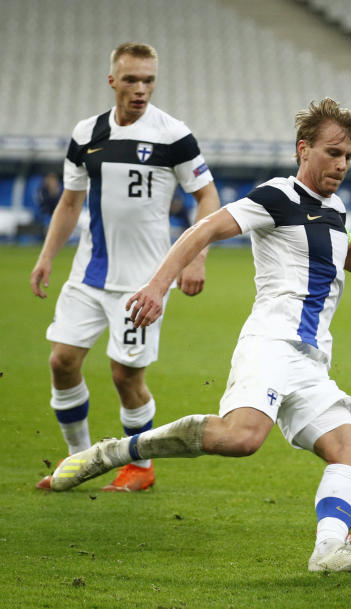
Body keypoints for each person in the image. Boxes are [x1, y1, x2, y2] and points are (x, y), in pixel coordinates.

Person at [49, 98, 351, 574]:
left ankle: (329, 551)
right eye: (332, 153)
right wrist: (158, 287)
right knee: (242, 438)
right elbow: (204, 229)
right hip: (271, 342)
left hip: (310, 359)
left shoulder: (334, 208)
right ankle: (117, 451)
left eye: (348, 157)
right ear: (304, 149)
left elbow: (342, 246)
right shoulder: (275, 196)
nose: (341, 165)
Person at [30, 42, 221, 492]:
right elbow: (70, 201)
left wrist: (196, 257)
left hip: (144, 281)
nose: (141, 89)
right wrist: (45, 257)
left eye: (149, 80)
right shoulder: (86, 134)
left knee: (125, 375)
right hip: (89, 273)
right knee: (61, 360)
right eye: (132, 79)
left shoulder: (174, 135)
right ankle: (79, 459)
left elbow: (208, 196)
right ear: (112, 80)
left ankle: (141, 467)